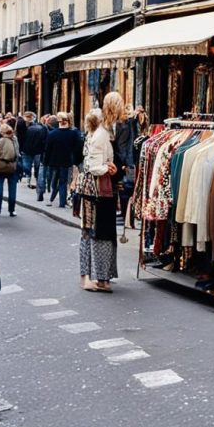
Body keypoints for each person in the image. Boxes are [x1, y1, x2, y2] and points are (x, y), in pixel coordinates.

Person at [78, 104, 119, 293]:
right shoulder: (101, 135)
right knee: (92, 232)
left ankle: (96, 277)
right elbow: (93, 166)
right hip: (95, 190)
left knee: (92, 232)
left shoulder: (101, 133)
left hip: (96, 190)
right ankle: (91, 278)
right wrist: (108, 168)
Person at [43, 112, 78, 208]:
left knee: (55, 180)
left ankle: (53, 197)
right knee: (63, 181)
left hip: (54, 161)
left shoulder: (52, 134)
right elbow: (76, 148)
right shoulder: (73, 134)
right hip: (66, 161)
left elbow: (48, 150)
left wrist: (45, 162)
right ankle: (61, 202)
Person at [0, 124, 19, 217]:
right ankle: (12, 210)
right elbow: (17, 153)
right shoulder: (15, 140)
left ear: (1, 132)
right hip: (12, 166)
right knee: (12, 189)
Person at [21, 112, 46, 190]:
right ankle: (36, 181)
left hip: (26, 150)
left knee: (26, 166)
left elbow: (21, 139)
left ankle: (28, 179)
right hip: (37, 150)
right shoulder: (40, 128)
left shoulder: (23, 128)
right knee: (37, 166)